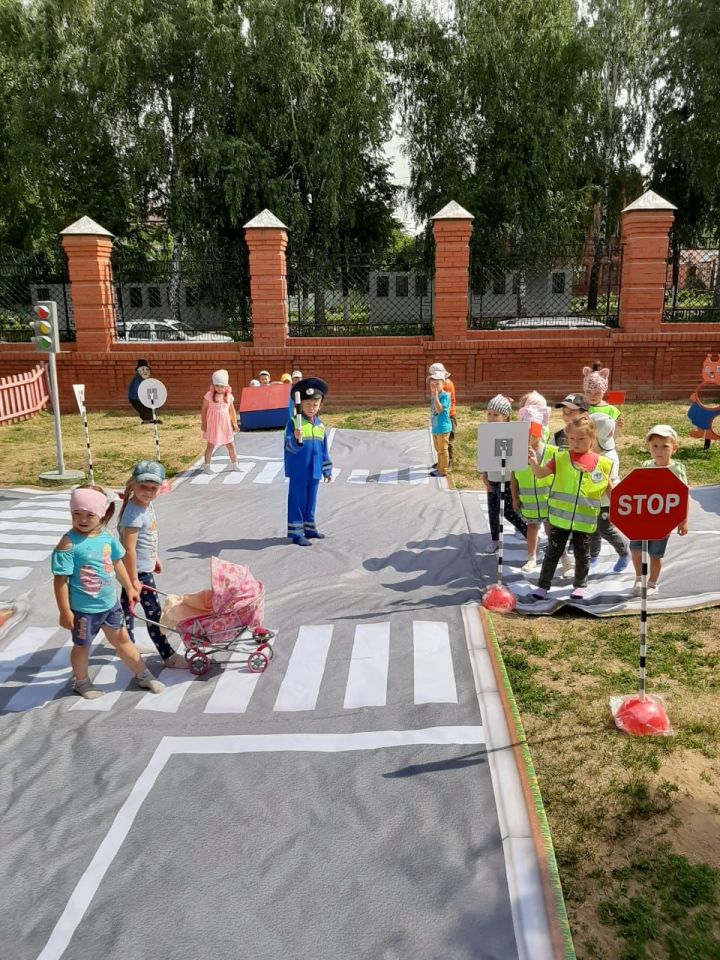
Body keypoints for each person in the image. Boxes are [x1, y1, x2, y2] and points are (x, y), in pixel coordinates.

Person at [51, 485, 165, 700]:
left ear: (101, 515)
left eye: (89, 515)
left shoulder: (106, 536)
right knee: (82, 646)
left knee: (124, 642)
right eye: (77, 514)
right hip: (83, 611)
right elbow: (60, 581)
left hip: (110, 605)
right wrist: (65, 611)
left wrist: (130, 586)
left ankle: (143, 674)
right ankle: (82, 681)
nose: (82, 520)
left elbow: (116, 562)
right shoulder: (68, 544)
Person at [529, 416, 612, 600]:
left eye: (581, 439)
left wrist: (618, 510)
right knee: (552, 552)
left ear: (592, 439)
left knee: (583, 554)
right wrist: (534, 463)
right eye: (572, 439)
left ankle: (580, 584)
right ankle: (543, 586)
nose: (575, 443)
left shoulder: (603, 463)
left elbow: (610, 490)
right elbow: (541, 474)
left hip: (585, 521)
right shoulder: (560, 458)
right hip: (559, 520)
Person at [117, 461, 186, 668]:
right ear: (133, 485)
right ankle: (168, 656)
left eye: (153, 488)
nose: (148, 492)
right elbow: (128, 548)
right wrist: (134, 580)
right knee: (154, 614)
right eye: (143, 487)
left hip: (141, 568)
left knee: (128, 608)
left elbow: (147, 538)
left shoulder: (146, 505)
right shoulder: (133, 513)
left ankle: (125, 643)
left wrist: (154, 556)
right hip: (137, 572)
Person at [629, 425, 689, 595]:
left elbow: (684, 495)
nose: (659, 450)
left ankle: (652, 583)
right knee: (636, 549)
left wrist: (684, 521)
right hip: (642, 519)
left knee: (655, 554)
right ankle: (639, 578)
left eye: (665, 446)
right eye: (655, 446)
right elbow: (636, 490)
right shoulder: (646, 465)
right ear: (649, 447)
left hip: (663, 520)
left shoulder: (677, 470)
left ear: (674, 448)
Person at [284, 378, 333, 546]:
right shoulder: (293, 424)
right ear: (300, 406)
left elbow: (323, 449)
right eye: (308, 405)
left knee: (311, 500)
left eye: (315, 405)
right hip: (299, 470)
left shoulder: (320, 425)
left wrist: (327, 469)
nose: (311, 408)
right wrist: (296, 439)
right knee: (297, 500)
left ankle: (310, 528)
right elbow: (288, 447)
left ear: (320, 405)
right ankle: (297, 533)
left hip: (315, 470)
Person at [511, 410, 557, 573]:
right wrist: (515, 498)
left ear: (541, 431)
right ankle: (531, 558)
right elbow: (513, 478)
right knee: (532, 528)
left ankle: (560, 556)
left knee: (551, 529)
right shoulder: (517, 453)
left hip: (549, 500)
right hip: (529, 501)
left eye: (534, 431)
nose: (530, 436)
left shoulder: (552, 451)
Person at [482, 395, 527, 550]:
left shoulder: (512, 432)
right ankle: (495, 539)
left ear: (505, 416)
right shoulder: (486, 432)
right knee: (493, 510)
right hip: (492, 477)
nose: (491, 418)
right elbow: (483, 453)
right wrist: (484, 474)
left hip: (508, 478)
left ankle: (527, 532)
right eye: (489, 414)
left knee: (509, 510)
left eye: (496, 415)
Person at [589, 413, 630, 573]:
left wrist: (615, 505)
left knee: (605, 529)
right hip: (592, 500)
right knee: (592, 529)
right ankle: (593, 556)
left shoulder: (608, 457)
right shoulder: (593, 450)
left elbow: (609, 485)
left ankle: (623, 552)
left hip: (606, 502)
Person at [201, 369, 240, 474]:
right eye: (217, 386)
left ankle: (235, 464)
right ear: (213, 385)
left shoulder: (229, 396)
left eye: (221, 386)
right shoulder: (209, 395)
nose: (219, 388)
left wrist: (234, 423)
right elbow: (204, 409)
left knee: (230, 444)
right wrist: (204, 423)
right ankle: (207, 466)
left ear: (226, 386)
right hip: (213, 424)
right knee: (211, 445)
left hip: (225, 424)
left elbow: (231, 410)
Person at [428, 362, 457, 466]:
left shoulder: (446, 385)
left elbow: (443, 405)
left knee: (447, 440)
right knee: (441, 443)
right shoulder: (440, 383)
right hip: (441, 416)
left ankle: (448, 461)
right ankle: (442, 461)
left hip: (448, 415)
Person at [428, 371, 452, 478]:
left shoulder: (445, 396)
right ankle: (439, 466)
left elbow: (439, 409)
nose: (434, 387)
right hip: (436, 428)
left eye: (437, 384)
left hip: (443, 427)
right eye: (432, 385)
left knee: (443, 450)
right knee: (438, 449)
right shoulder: (434, 395)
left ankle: (443, 470)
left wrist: (436, 396)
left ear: (443, 384)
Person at [127, 359, 156, 424]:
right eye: (142, 369)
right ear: (138, 371)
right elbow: (136, 390)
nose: (145, 371)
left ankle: (149, 419)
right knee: (144, 409)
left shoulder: (144, 379)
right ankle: (146, 420)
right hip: (135, 398)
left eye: (147, 369)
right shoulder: (137, 379)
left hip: (142, 398)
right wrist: (144, 395)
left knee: (149, 408)